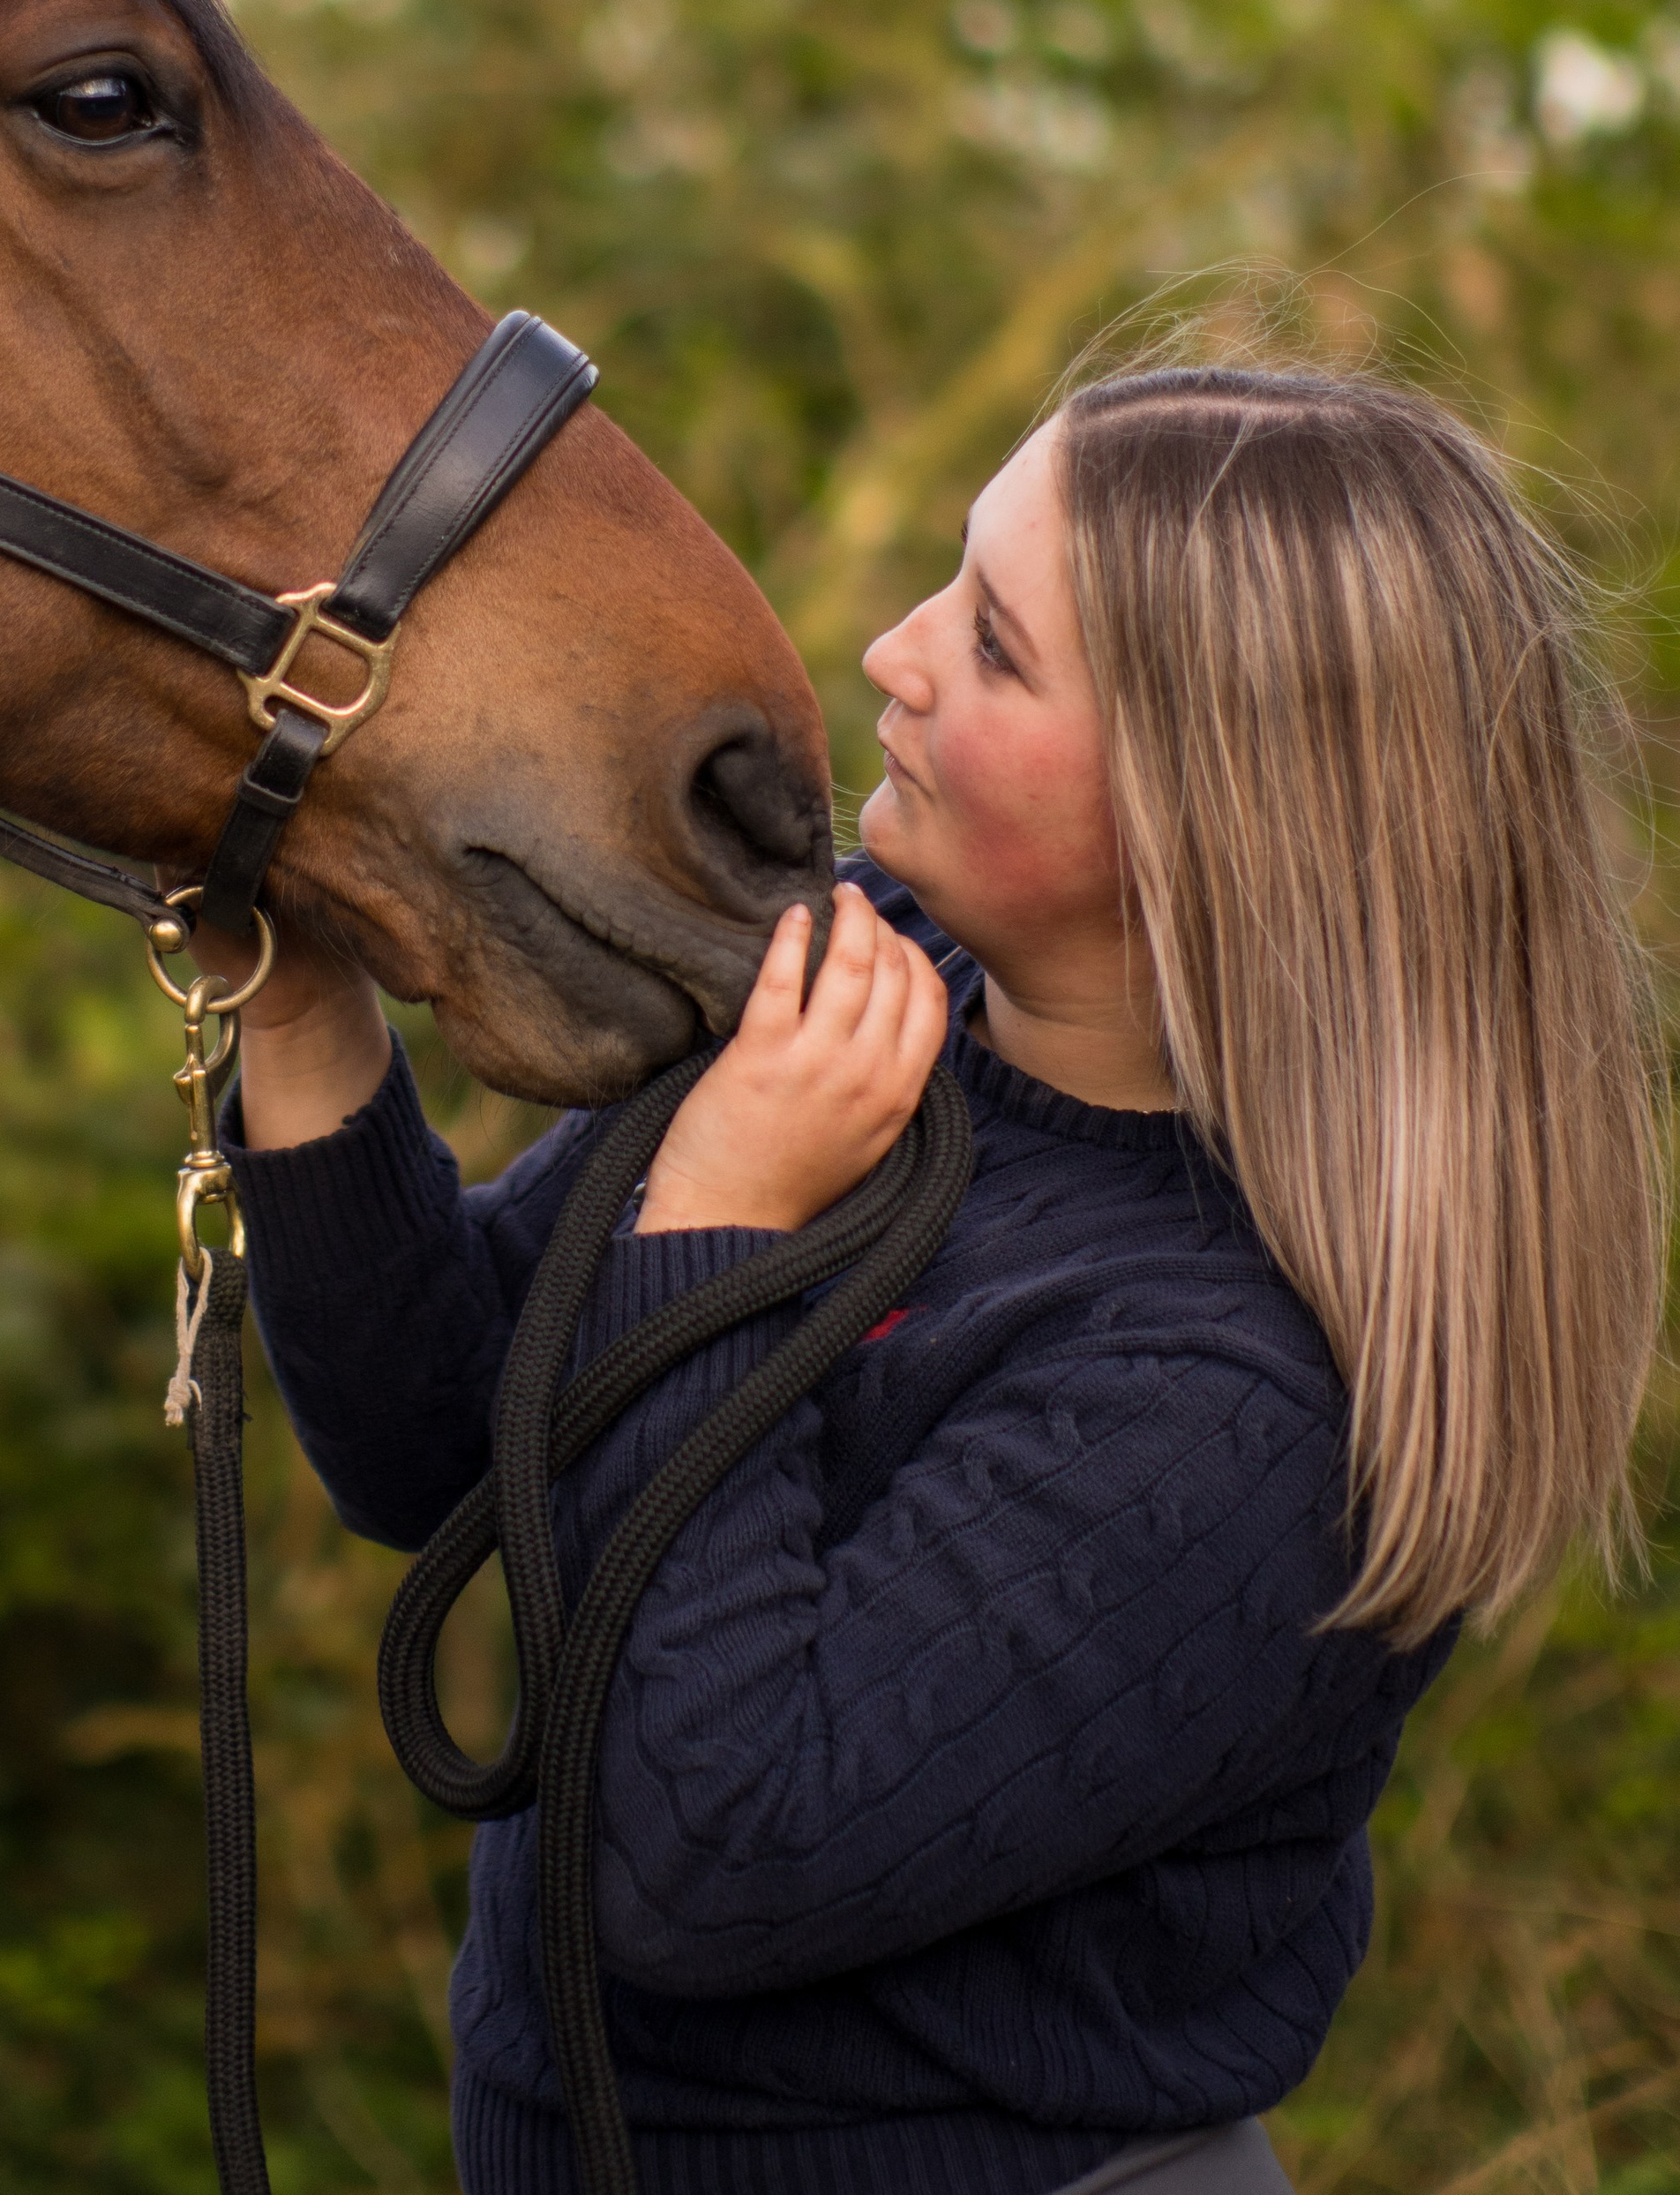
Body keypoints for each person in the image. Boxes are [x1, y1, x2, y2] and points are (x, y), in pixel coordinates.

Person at [214, 363, 1669, 2195]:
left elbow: (700, 1858)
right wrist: (294, 993)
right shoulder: (864, 997)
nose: (889, 650)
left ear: (1206, 807)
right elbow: (435, 1436)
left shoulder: (1228, 1408)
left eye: (988, 643)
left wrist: (725, 1211)